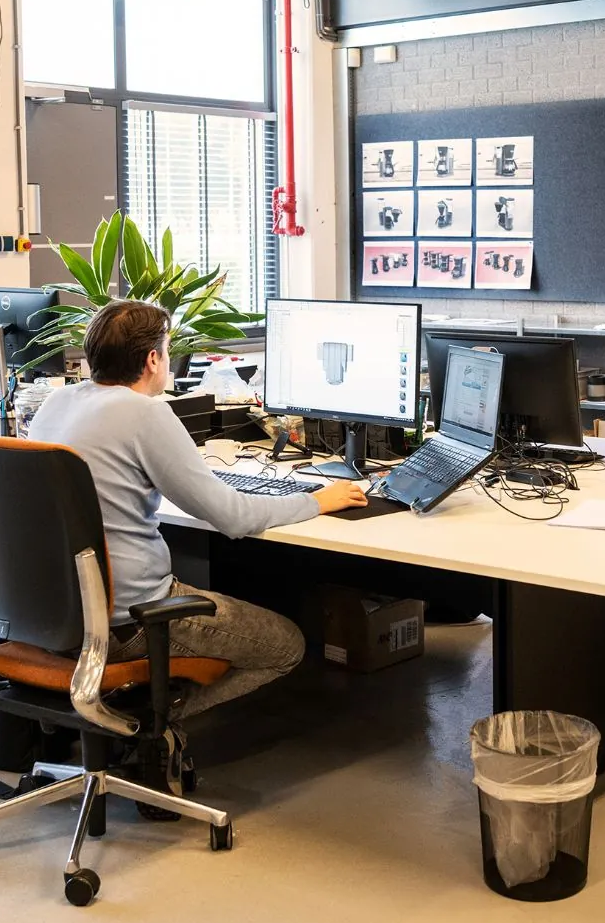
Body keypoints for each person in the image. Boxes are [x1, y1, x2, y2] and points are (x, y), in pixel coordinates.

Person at [27, 300, 367, 731]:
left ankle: (129, 718)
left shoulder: (57, 402)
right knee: (287, 645)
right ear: (153, 359)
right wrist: (317, 500)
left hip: (54, 613)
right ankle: (152, 729)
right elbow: (231, 516)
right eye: (168, 351)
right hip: (129, 620)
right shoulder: (145, 412)